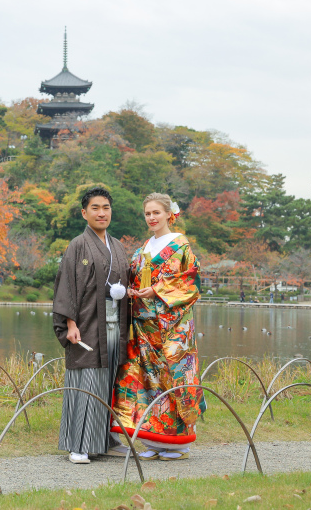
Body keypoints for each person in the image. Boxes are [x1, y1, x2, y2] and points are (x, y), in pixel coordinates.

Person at [113, 192, 206, 461]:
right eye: (147, 214)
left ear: (169, 214)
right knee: (149, 379)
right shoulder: (144, 248)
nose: (151, 218)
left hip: (172, 323)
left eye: (156, 213)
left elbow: (191, 281)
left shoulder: (180, 245)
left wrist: (156, 291)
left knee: (174, 375)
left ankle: (178, 443)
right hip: (145, 324)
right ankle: (154, 439)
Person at [52, 187, 131, 464]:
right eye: (95, 208)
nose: (101, 213)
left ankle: (104, 441)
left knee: (106, 384)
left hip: (113, 325)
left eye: (106, 207)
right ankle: (78, 445)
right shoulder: (78, 244)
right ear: (84, 213)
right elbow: (67, 285)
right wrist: (69, 323)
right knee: (85, 382)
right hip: (86, 325)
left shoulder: (119, 246)